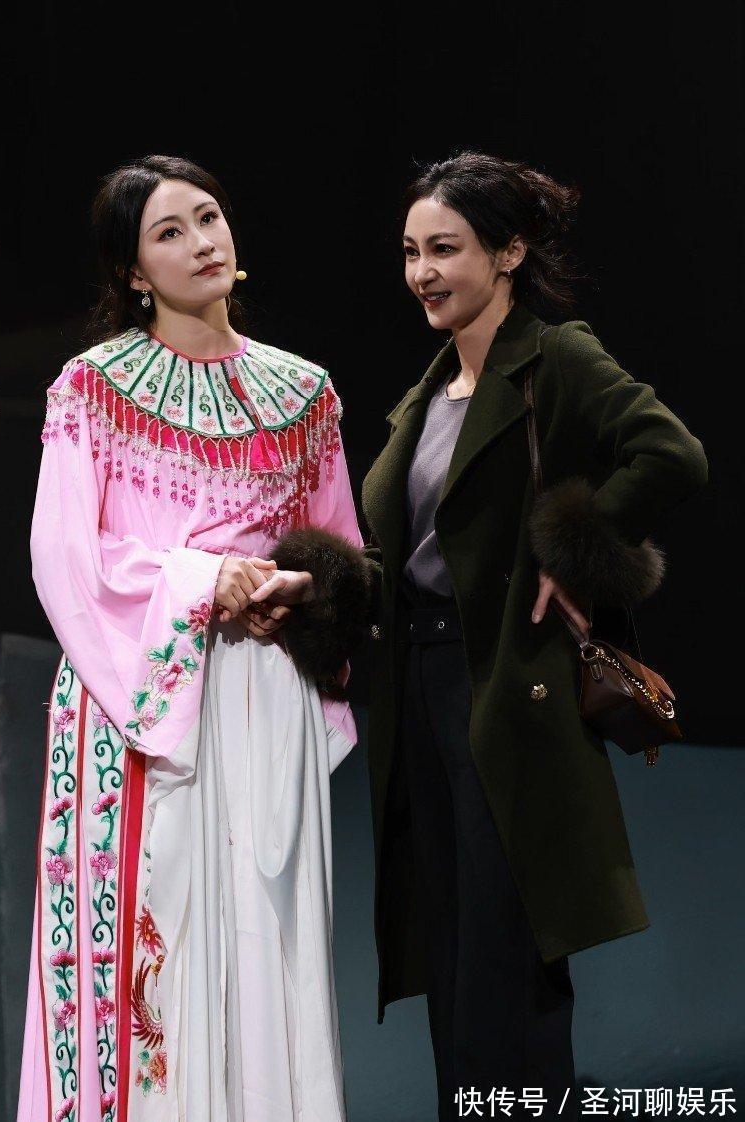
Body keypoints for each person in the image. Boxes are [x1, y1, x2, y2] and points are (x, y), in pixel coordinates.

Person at [278, 150, 708, 1120]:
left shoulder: (555, 359)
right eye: (410, 252)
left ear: (509, 251)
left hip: (512, 689)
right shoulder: (427, 396)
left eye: (445, 249)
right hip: (420, 691)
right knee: (454, 957)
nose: (421, 272)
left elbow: (673, 454)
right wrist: (319, 588)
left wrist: (574, 547)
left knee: (506, 968)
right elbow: (409, 557)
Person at [18, 155, 371, 1122]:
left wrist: (299, 590)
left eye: (208, 217)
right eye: (168, 233)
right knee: (155, 943)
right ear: (132, 272)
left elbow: (343, 551)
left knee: (269, 936)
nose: (201, 242)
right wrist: (205, 581)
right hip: (141, 693)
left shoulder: (303, 393)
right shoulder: (92, 388)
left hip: (270, 696)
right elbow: (66, 557)